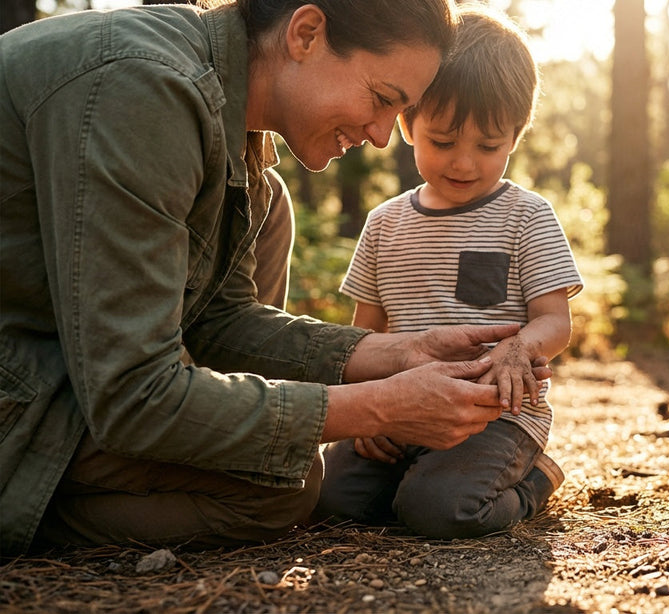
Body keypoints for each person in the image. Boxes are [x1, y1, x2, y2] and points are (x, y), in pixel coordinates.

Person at [0, 0, 551, 558]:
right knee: (280, 482)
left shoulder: (233, 125)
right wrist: (378, 407)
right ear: (306, 34)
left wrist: (398, 353)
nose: (384, 136)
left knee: (282, 485)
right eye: (382, 99)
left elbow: (219, 319)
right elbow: (133, 392)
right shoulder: (146, 89)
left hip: (57, 371)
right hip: (30, 388)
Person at [314, 6, 583, 539]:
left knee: (439, 510)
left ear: (515, 136)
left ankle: (534, 482)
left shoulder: (526, 216)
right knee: (327, 499)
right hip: (400, 411)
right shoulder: (385, 223)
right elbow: (364, 333)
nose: (464, 163)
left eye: (488, 146)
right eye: (442, 141)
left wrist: (520, 348)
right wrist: (368, 411)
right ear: (408, 121)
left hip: (494, 417)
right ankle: (415, 477)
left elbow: (556, 321)